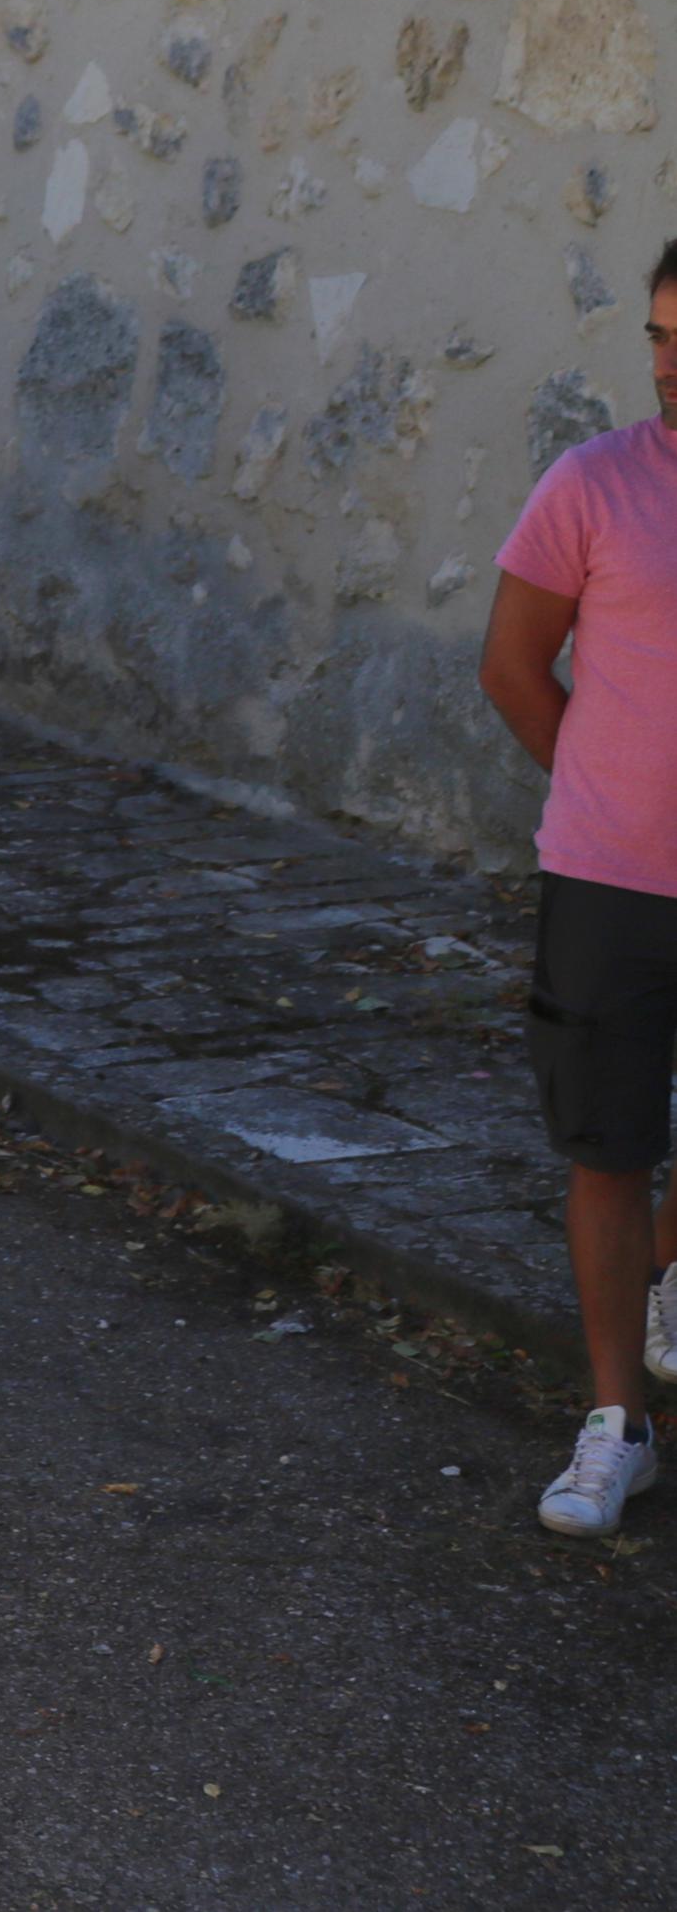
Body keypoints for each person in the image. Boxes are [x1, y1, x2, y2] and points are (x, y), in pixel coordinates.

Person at [480, 238, 677, 1538]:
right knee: (605, 1150)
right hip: (607, 883)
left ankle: (660, 1281)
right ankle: (616, 1421)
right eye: (657, 335)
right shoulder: (593, 484)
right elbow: (509, 663)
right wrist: (600, 790)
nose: (665, 364)